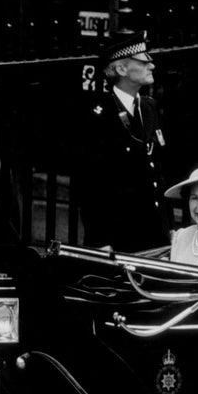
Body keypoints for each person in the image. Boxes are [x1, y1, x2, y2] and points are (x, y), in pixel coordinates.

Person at [76, 31, 171, 252]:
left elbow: (158, 172)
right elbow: (89, 185)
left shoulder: (149, 107)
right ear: (121, 69)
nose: (152, 65)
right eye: (143, 60)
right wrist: (100, 240)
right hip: (120, 236)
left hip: (155, 233)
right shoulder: (98, 115)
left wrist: (169, 226)